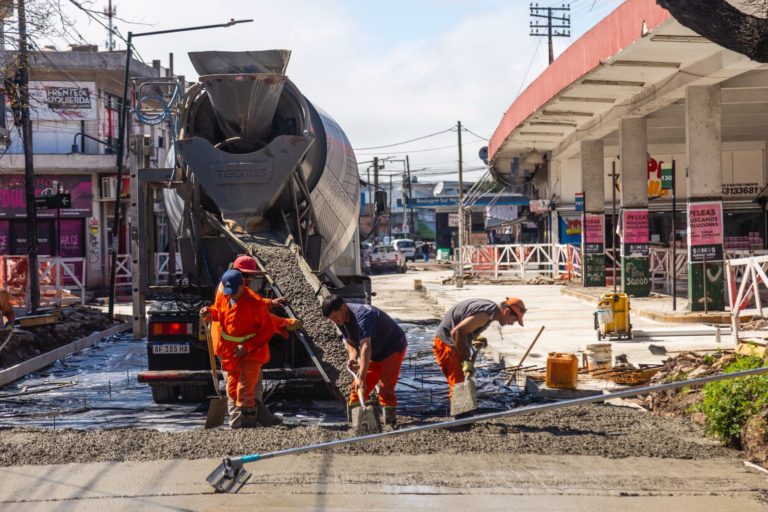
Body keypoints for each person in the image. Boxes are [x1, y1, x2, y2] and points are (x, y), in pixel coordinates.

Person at [201, 270, 302, 428]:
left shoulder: (255, 303)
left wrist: (247, 346)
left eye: (234, 292)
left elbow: (266, 329)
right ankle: (262, 417)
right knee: (232, 390)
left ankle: (248, 428)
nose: (231, 295)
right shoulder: (224, 294)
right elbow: (220, 312)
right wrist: (210, 313)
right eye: (229, 292)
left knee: (245, 390)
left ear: (242, 286)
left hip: (252, 352)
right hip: (231, 353)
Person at [211, 255, 287, 426]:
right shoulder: (228, 290)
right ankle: (240, 423)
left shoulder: (234, 287)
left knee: (249, 382)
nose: (248, 279)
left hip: (236, 345)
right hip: (229, 347)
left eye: (251, 276)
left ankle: (248, 420)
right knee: (236, 384)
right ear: (236, 274)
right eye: (245, 276)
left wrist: (269, 302)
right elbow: (249, 306)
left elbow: (252, 301)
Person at [322, 295, 407, 426]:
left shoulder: (362, 316)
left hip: (392, 347)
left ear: (343, 307)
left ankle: (390, 422)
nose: (335, 321)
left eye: (335, 317)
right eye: (332, 319)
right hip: (373, 352)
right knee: (357, 388)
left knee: (386, 387)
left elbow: (366, 346)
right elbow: (351, 342)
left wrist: (361, 375)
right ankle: (357, 423)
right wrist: (352, 358)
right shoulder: (341, 320)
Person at [433, 297, 526, 397]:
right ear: (507, 312)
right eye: (514, 320)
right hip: (447, 345)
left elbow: (467, 324)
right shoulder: (484, 315)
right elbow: (456, 333)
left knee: (460, 386)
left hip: (453, 342)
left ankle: (462, 409)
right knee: (458, 387)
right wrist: (465, 360)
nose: (512, 323)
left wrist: (475, 336)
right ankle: (460, 411)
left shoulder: (492, 309)